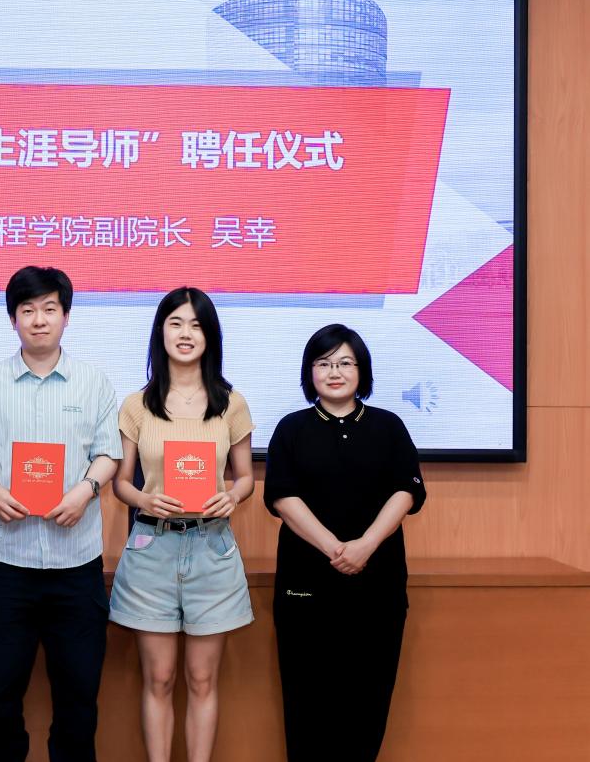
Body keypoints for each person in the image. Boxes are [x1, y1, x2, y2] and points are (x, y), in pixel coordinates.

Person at [0, 266, 122, 762]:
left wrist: (86, 490)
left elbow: (108, 453)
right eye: (28, 310)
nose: (39, 320)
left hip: (76, 565)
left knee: (78, 697)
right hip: (7, 562)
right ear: (13, 318)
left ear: (66, 317)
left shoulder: (93, 382)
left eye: (49, 309)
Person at [263, 324, 427, 762]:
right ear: (309, 372)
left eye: (344, 363)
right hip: (306, 589)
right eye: (323, 363)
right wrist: (335, 548)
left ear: (361, 371)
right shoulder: (291, 429)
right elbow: (282, 497)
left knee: (368, 703)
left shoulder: (389, 426)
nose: (334, 372)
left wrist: (366, 545)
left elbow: (407, 491)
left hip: (378, 587)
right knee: (306, 704)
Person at [108, 287, 255, 762]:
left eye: (196, 324)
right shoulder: (137, 404)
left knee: (202, 679)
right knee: (159, 678)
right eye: (175, 323)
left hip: (212, 549)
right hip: (152, 547)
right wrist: (144, 498)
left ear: (210, 334)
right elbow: (121, 484)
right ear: (161, 332)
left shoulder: (231, 403)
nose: (185, 333)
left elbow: (246, 477)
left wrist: (232, 495)